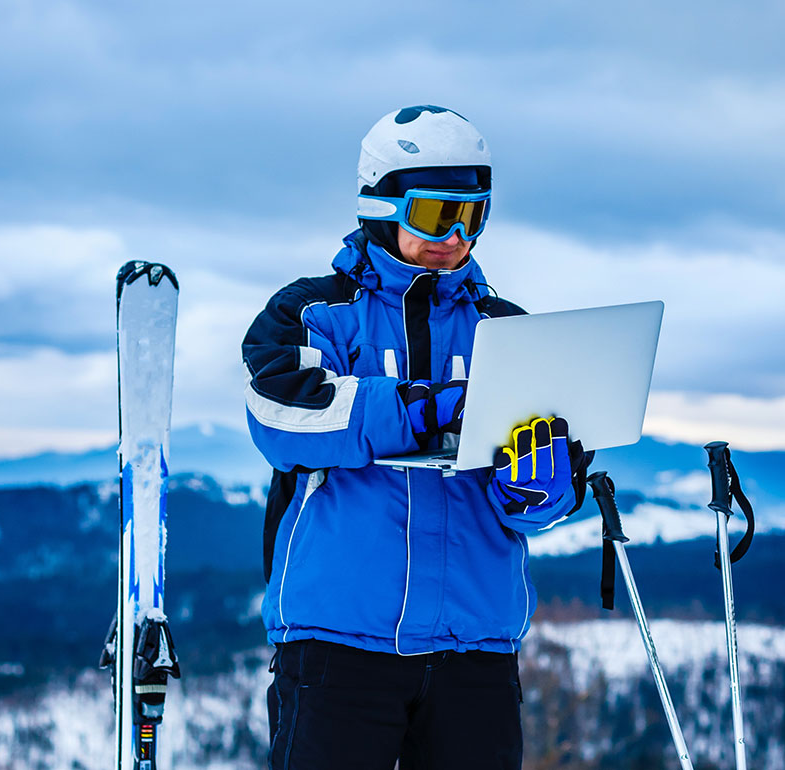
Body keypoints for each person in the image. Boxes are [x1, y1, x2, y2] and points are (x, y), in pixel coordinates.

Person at [242, 105, 591, 770]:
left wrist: (541, 490)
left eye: (473, 215)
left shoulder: (507, 331)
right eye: (437, 214)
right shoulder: (316, 313)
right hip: (340, 646)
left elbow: (539, 493)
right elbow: (282, 416)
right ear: (380, 204)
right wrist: (418, 410)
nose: (455, 235)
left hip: (474, 648)